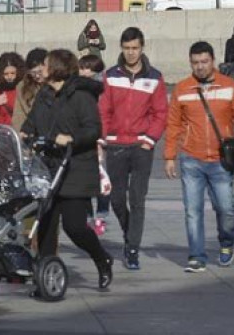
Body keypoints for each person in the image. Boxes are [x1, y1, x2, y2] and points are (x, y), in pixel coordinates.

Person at [20, 49, 113, 290]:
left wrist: (71, 138)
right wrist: (24, 134)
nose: (43, 68)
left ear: (57, 68)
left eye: (47, 64)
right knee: (46, 226)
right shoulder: (45, 94)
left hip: (76, 168)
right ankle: (46, 278)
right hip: (49, 169)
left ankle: (101, 258)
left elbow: (93, 129)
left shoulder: (81, 96)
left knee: (75, 227)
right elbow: (31, 122)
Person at [164, 41, 234, 273]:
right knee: (192, 211)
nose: (200, 67)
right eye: (195, 63)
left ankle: (226, 244)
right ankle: (196, 256)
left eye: (204, 62)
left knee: (226, 209)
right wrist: (170, 156)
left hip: (221, 161)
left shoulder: (229, 85)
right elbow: (173, 124)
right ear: (190, 63)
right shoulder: (182, 89)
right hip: (191, 159)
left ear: (213, 61)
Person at [98, 27, 168, 271]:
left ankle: (133, 248)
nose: (131, 53)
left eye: (135, 48)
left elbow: (160, 113)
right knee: (116, 199)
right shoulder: (110, 76)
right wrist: (101, 141)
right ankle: (131, 234)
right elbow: (104, 111)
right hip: (116, 144)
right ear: (121, 48)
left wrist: (150, 140)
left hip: (141, 146)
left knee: (137, 199)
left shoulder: (155, 78)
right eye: (127, 48)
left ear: (142, 48)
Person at [78, 54, 110, 236]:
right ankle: (90, 217)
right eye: (80, 68)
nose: (82, 71)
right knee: (86, 183)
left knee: (102, 181)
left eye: (85, 68)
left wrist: (101, 140)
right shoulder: (79, 89)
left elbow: (103, 116)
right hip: (83, 140)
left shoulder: (101, 91)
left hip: (98, 141)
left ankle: (101, 215)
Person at [12, 48, 48, 130]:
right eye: (33, 73)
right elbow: (18, 116)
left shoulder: (57, 83)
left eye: (40, 72)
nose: (37, 76)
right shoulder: (22, 87)